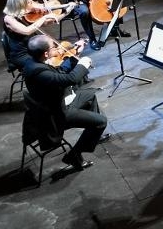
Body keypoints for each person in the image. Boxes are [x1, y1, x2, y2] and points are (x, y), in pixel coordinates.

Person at [23, 34, 107, 171]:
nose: (57, 48)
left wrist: (74, 56)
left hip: (57, 102)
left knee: (90, 95)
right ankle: (74, 155)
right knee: (101, 121)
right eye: (53, 47)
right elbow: (69, 80)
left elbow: (60, 73)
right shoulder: (39, 72)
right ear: (45, 53)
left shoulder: (32, 62)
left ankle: (93, 135)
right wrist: (83, 63)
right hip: (55, 115)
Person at [2, 0, 84, 70]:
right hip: (23, 53)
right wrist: (44, 17)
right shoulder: (9, 19)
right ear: (20, 5)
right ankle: (59, 76)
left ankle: (67, 74)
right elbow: (27, 31)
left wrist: (66, 11)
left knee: (64, 51)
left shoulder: (26, 14)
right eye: (29, 2)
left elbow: (50, 21)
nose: (32, 3)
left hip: (36, 47)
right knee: (50, 62)